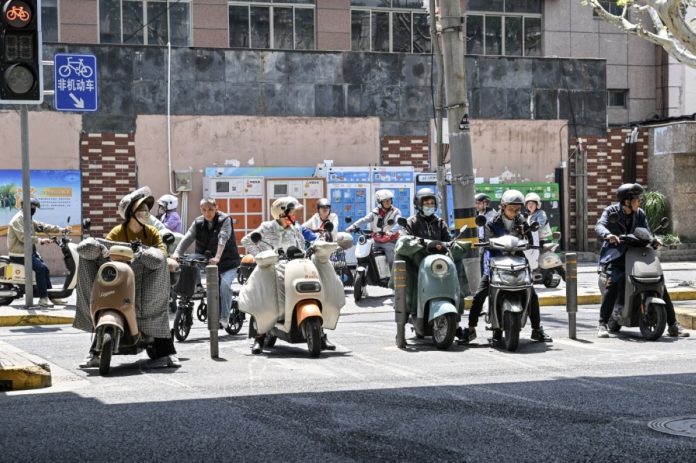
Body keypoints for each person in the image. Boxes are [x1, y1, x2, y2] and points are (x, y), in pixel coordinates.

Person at [79, 189, 180, 368]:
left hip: (146, 282)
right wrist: (100, 250)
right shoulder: (117, 232)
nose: (145, 213)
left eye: (147, 210)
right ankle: (94, 352)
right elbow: (107, 250)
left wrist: (147, 253)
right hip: (121, 281)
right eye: (141, 210)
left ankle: (167, 353)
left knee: (156, 311)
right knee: (105, 303)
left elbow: (161, 253)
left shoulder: (152, 232)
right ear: (130, 214)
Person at [241, 196, 335, 354]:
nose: (294, 215)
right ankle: (260, 337)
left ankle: (321, 334)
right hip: (274, 267)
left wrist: (313, 248)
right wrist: (263, 256)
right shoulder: (267, 227)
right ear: (281, 213)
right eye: (292, 212)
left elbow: (302, 243)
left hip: (296, 266)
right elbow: (247, 240)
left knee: (319, 289)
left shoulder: (295, 227)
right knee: (265, 298)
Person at [459, 189, 553, 344]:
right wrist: (488, 243)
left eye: (517, 209)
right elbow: (486, 239)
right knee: (480, 294)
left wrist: (531, 242)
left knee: (532, 294)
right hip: (496, 261)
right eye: (511, 208)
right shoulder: (492, 222)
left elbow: (529, 237)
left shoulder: (521, 221)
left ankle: (537, 329)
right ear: (503, 207)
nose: (515, 212)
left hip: (517, 260)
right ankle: (470, 329)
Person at [595, 183, 689, 338]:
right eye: (636, 199)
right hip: (617, 255)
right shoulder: (611, 211)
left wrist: (654, 240)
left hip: (637, 255)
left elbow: (647, 232)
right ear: (626, 201)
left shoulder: (640, 214)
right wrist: (608, 235)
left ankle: (673, 325)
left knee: (659, 284)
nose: (639, 201)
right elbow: (600, 226)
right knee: (613, 282)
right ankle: (602, 323)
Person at [172, 198, 241, 330]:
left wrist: (217, 257)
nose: (207, 213)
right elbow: (188, 237)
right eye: (204, 210)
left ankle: (224, 317)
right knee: (190, 260)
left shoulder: (225, 220)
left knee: (224, 286)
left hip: (228, 262)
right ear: (201, 210)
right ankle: (198, 287)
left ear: (216, 208)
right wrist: (177, 253)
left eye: (210, 209)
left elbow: (223, 238)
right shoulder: (198, 222)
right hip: (206, 258)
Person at [6, 198, 69, 307]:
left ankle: (52, 296)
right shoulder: (17, 220)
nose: (34, 209)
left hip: (29, 251)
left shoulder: (28, 219)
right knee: (41, 269)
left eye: (35, 207)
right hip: (19, 254)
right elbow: (24, 237)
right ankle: (43, 299)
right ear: (25, 207)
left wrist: (61, 229)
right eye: (32, 207)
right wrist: (40, 241)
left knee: (45, 269)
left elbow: (43, 226)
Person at [347, 189, 402, 267]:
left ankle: (392, 274)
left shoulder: (396, 212)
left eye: (389, 200)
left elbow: (399, 222)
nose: (388, 202)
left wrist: (391, 231)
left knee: (391, 260)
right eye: (385, 200)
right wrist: (353, 226)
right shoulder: (375, 212)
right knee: (368, 254)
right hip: (376, 240)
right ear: (380, 202)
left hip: (390, 240)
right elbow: (364, 219)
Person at [475, 193, 496, 274]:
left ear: (485, 203)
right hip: (480, 242)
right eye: (475, 203)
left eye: (478, 203)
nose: (476, 205)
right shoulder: (479, 213)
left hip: (488, 244)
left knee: (487, 265)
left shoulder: (491, 214)